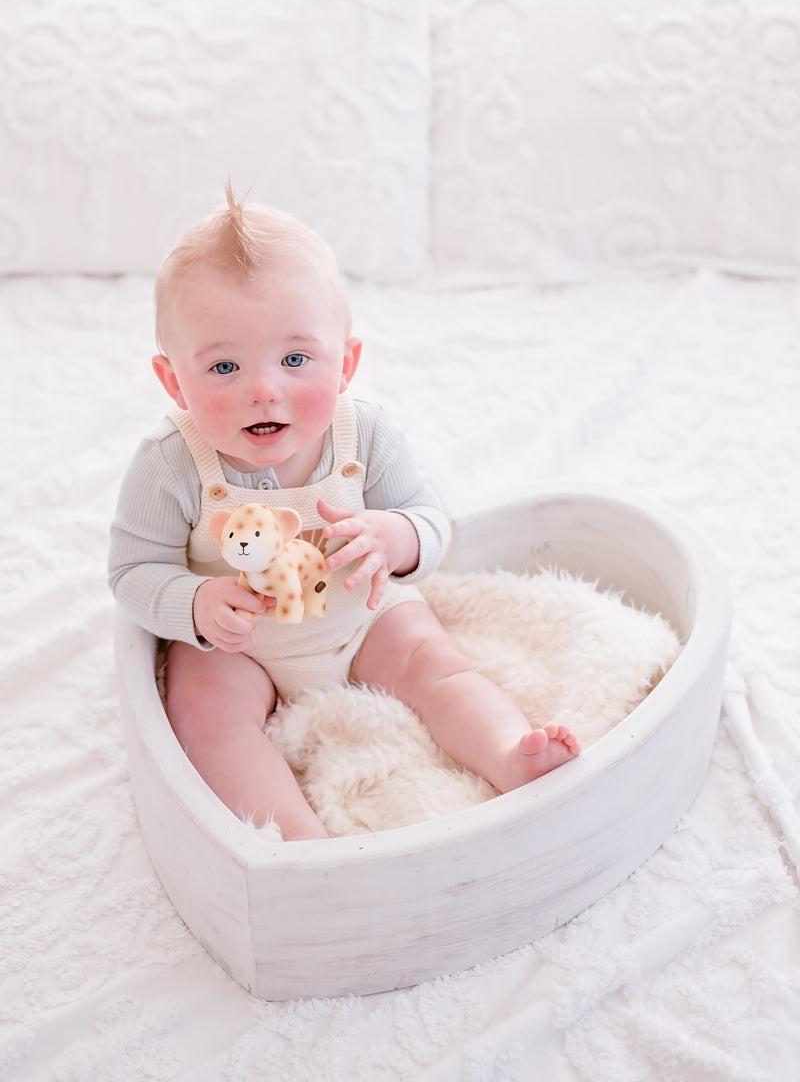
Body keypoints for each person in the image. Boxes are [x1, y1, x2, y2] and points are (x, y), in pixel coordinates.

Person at [107, 182, 580, 841]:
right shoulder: (171, 463)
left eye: (296, 359)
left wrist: (398, 537)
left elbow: (430, 518)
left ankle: (507, 751)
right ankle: (299, 841)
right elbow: (133, 572)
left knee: (434, 661)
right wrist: (194, 605)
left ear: (347, 362)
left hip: (362, 614)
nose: (263, 389)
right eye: (223, 368)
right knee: (203, 712)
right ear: (173, 381)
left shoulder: (364, 435)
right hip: (240, 646)